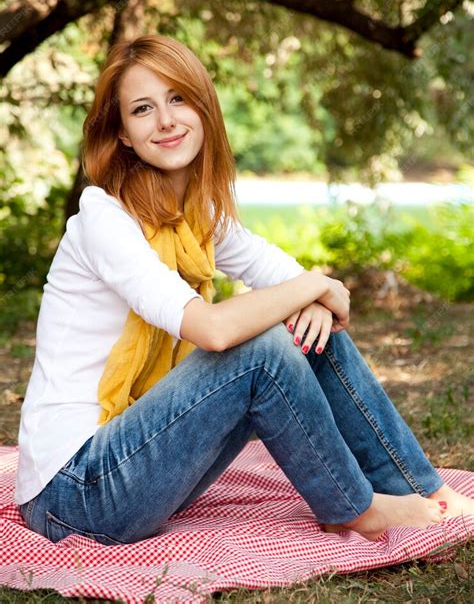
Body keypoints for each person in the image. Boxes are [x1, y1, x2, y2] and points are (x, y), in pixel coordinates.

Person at [15, 34, 473, 547]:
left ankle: (421, 488)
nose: (166, 120)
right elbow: (211, 329)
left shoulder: (198, 216)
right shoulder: (104, 217)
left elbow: (300, 286)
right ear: (121, 133)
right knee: (260, 347)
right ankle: (352, 508)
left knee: (301, 329)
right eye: (142, 109)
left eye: (178, 99)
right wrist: (315, 286)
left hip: (140, 465)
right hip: (74, 490)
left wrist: (319, 291)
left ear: (204, 108)